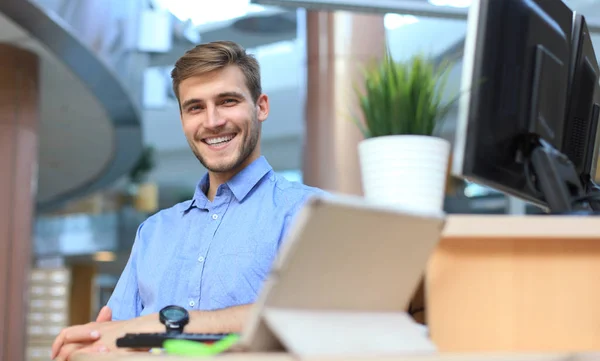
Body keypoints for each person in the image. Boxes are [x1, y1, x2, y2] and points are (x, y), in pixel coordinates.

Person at [51, 40, 325, 361]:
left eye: (227, 101)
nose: (212, 121)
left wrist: (163, 325)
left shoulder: (312, 213)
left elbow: (320, 314)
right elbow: (115, 338)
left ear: (261, 106)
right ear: (182, 119)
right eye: (195, 107)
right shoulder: (153, 232)